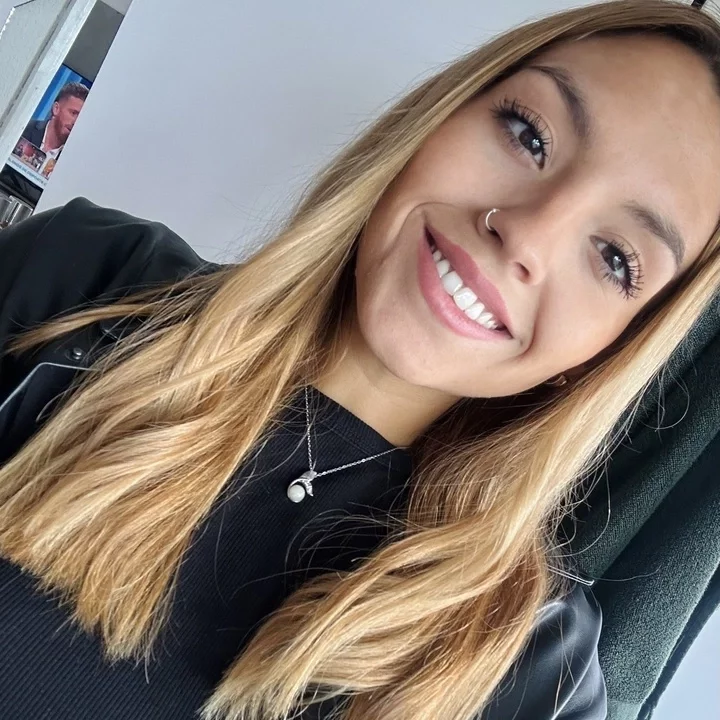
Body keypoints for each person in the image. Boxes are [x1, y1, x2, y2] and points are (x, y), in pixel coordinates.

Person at [0, 1, 719, 718]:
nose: (527, 237)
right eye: (529, 135)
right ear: (438, 115)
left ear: (612, 348)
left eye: (615, 258)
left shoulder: (533, 672)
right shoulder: (87, 282)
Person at [21, 81, 88, 158]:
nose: (75, 122)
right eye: (73, 113)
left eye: (80, 118)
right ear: (56, 109)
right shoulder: (24, 129)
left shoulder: (74, 157)